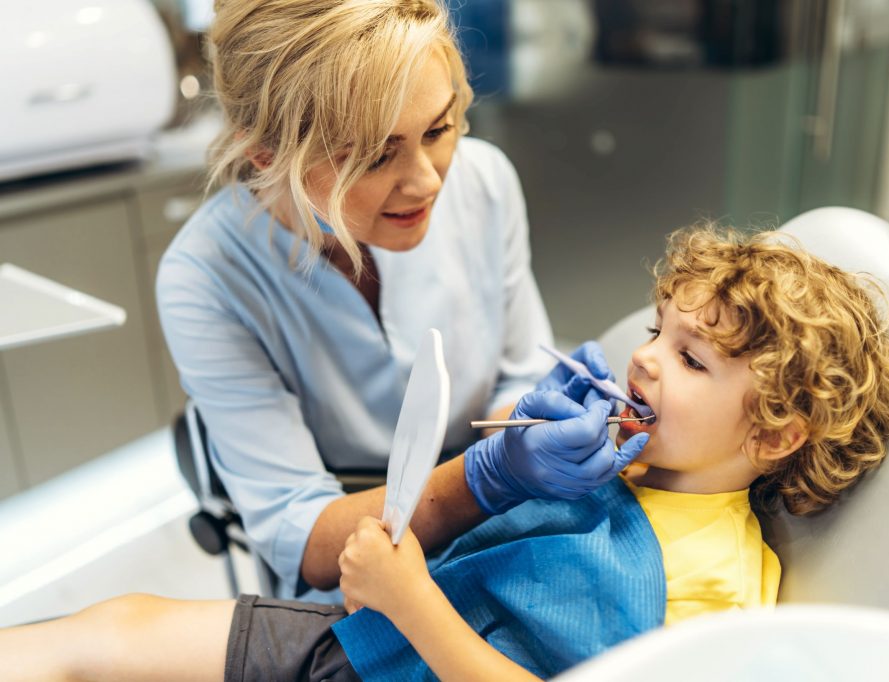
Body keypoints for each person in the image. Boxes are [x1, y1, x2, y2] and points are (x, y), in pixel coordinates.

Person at [2, 225, 889, 681]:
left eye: (690, 357)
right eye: (656, 329)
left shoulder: (715, 581)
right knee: (109, 632)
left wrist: (412, 595)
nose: (641, 356)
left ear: (775, 434)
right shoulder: (614, 463)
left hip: (395, 639)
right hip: (363, 641)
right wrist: (491, 472)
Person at [155, 0, 636, 602]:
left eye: (437, 129)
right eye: (375, 155)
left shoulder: (483, 182)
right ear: (266, 154)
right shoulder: (205, 276)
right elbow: (299, 534)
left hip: (498, 527)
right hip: (353, 571)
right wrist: (486, 477)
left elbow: (516, 373)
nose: (428, 180)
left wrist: (538, 423)